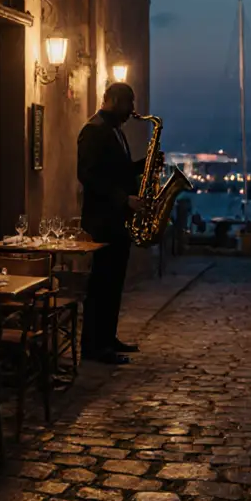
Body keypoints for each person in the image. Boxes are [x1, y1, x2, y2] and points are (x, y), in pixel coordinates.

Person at [76, 82, 146, 365]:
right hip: (103, 221)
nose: (132, 111)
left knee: (114, 282)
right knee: (102, 283)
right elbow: (89, 176)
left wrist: (143, 165)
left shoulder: (114, 130)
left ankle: (107, 337)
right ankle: (94, 346)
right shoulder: (93, 131)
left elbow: (115, 170)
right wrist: (124, 199)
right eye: (129, 103)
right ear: (115, 100)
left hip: (116, 219)